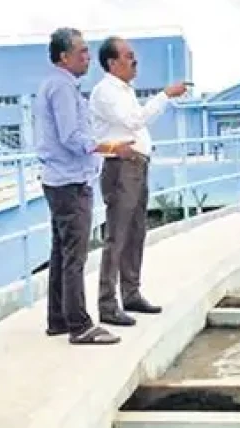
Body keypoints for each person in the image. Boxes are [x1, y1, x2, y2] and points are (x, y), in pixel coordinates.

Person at [33, 28, 136, 345]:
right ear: (64, 56)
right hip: (69, 181)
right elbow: (71, 137)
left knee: (61, 254)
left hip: (60, 180)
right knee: (74, 257)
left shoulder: (55, 85)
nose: (88, 58)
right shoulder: (62, 87)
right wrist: (111, 148)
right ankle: (80, 326)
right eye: (82, 52)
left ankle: (59, 319)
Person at [89, 36, 188, 326]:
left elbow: (135, 122)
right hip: (120, 166)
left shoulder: (124, 90)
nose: (134, 61)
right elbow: (133, 120)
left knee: (135, 233)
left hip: (136, 165)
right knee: (117, 235)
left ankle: (131, 294)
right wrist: (165, 95)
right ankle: (108, 304)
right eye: (128, 56)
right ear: (112, 62)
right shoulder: (106, 91)